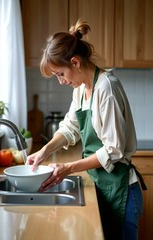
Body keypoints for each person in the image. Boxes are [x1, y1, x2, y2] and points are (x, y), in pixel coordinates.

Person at [27, 19, 146, 240]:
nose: (61, 81)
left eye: (60, 74)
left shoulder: (106, 88)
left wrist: (68, 168)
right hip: (103, 185)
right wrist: (45, 150)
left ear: (75, 62)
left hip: (122, 191)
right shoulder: (81, 89)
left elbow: (113, 150)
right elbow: (70, 127)